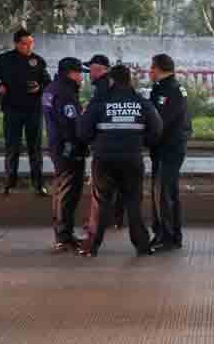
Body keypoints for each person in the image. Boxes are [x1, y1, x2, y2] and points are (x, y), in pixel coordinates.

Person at [75, 65, 162, 257]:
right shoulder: (141, 102)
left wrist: (96, 143)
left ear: (111, 80)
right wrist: (139, 142)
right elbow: (156, 129)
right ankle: (142, 246)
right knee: (133, 201)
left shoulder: (99, 102)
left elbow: (82, 131)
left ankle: (91, 247)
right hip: (132, 157)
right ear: (129, 80)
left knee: (101, 202)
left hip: (104, 158)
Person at [0, 28, 51, 196]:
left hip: (33, 110)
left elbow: (48, 82)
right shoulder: (4, 60)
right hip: (12, 110)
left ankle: (38, 184)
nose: (28, 47)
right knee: (13, 147)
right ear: (16, 44)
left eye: (30, 43)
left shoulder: (38, 61)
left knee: (35, 148)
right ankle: (10, 183)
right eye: (24, 44)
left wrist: (39, 87)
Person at [43, 57, 88, 253]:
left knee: (62, 190)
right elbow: (70, 125)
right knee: (68, 193)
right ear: (71, 73)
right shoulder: (65, 93)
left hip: (58, 146)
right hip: (68, 148)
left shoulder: (51, 89)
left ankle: (65, 234)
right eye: (80, 73)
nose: (82, 78)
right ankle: (63, 236)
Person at [148, 54, 191, 252]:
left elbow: (160, 122)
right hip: (164, 148)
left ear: (158, 69)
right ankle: (169, 234)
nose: (149, 71)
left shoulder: (170, 90)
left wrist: (146, 138)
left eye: (151, 67)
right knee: (166, 191)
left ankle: (167, 236)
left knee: (163, 192)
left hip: (169, 148)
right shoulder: (164, 88)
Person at [82, 54, 123, 230]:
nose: (88, 73)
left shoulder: (103, 86)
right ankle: (114, 219)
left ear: (100, 69)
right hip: (118, 141)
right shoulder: (112, 85)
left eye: (90, 69)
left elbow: (97, 112)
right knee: (116, 183)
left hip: (105, 143)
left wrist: (86, 112)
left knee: (102, 186)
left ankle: (100, 222)